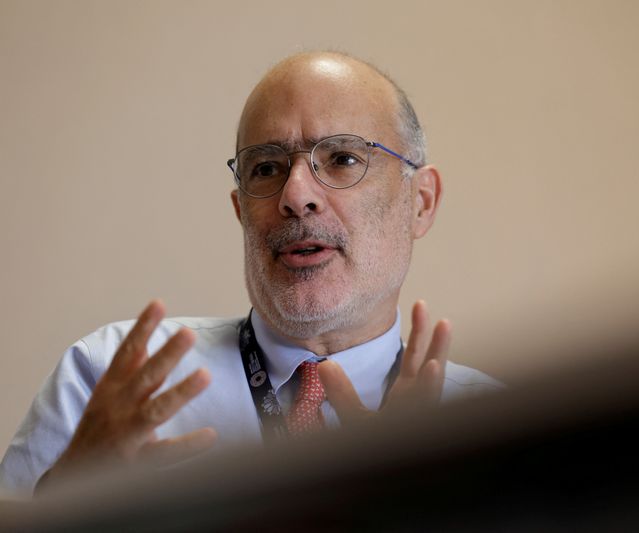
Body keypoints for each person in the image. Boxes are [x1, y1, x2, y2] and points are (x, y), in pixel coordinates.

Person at [0, 52, 502, 496]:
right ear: (242, 211)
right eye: (266, 167)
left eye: (343, 158)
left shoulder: (492, 428)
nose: (295, 194)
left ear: (421, 202)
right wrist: (64, 501)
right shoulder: (110, 382)